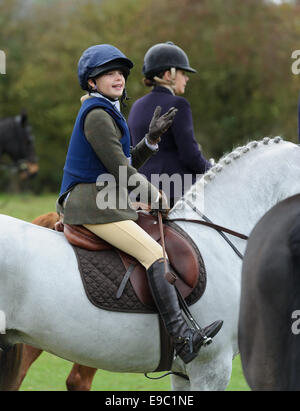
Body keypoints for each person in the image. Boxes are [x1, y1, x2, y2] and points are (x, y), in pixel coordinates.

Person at [57, 44, 222, 364]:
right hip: (93, 205)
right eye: (108, 73)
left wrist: (152, 141)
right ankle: (181, 337)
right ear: (92, 82)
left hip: (104, 200)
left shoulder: (105, 109)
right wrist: (155, 195)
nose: (117, 78)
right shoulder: (96, 115)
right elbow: (120, 170)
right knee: (153, 253)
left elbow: (124, 159)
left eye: (120, 72)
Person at [128, 41, 212, 207]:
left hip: (138, 193)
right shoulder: (179, 104)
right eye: (183, 73)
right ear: (169, 75)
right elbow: (190, 155)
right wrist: (213, 171)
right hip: (174, 194)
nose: (186, 78)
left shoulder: (137, 105)